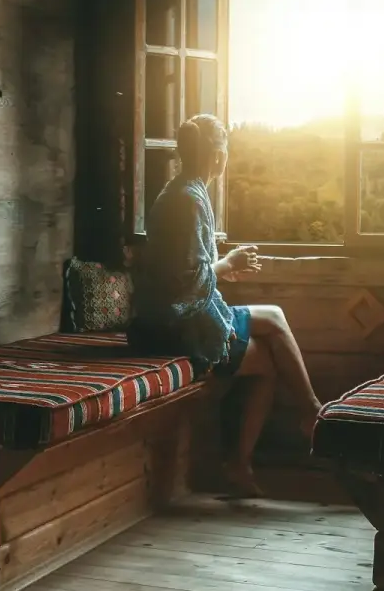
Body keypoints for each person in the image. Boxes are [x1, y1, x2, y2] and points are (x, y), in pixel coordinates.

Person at [128, 113, 323, 498]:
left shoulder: (182, 190)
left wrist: (223, 271)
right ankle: (310, 415)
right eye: (227, 152)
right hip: (176, 326)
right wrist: (226, 265)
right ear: (217, 156)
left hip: (175, 313)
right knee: (271, 347)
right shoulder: (188, 201)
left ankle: (253, 452)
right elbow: (186, 284)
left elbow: (190, 272)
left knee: (270, 345)